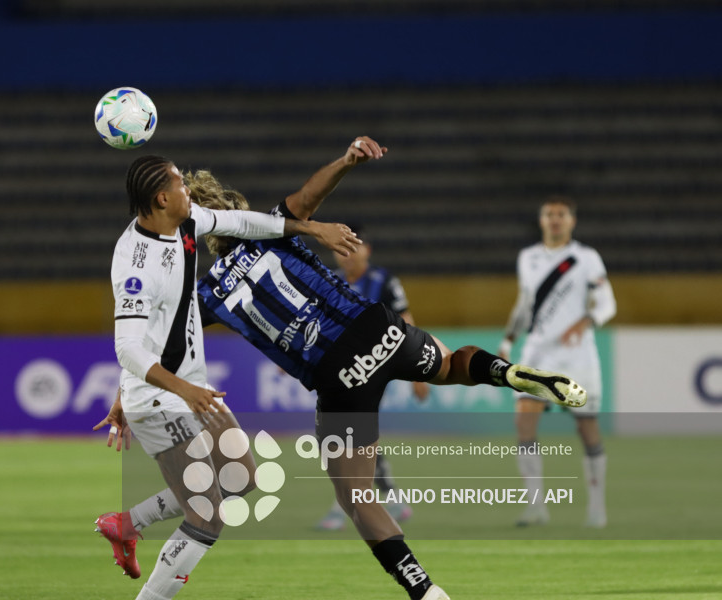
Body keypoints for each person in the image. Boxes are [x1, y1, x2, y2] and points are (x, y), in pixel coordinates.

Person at [100, 138, 586, 600]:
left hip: (338, 378)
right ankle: (507, 373)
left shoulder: (208, 294)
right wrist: (348, 160)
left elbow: (161, 333)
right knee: (454, 363)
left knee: (356, 498)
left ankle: (424, 588)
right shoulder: (273, 228)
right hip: (378, 331)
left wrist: (128, 390)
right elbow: (308, 196)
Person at [95, 153, 363, 599]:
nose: (189, 189)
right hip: (164, 399)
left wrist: (312, 228)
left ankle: (127, 524)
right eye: (180, 184)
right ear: (162, 198)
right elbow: (127, 347)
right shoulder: (134, 269)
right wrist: (174, 390)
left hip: (188, 386)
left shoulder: (184, 221)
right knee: (207, 513)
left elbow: (244, 224)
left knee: (241, 476)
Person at [498, 196, 616, 528]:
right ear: (541, 220)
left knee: (587, 427)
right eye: (549, 214)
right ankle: (536, 507)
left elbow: (608, 302)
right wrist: (508, 338)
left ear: (571, 221)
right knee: (524, 419)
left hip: (577, 355)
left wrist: (586, 322)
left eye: (561, 215)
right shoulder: (528, 257)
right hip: (538, 353)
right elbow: (525, 304)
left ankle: (596, 508)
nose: (555, 220)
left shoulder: (586, 258)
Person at [316, 224, 429, 530]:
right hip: (337, 372)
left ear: (368, 250)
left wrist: (419, 372)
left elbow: (406, 322)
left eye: (355, 248)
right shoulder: (330, 281)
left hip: (373, 368)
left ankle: (345, 505)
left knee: (348, 435)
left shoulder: (384, 281)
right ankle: (390, 496)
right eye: (342, 249)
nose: (348, 256)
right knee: (355, 437)